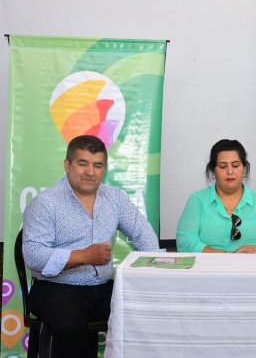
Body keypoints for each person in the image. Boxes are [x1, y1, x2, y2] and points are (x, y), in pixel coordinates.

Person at [22, 135, 160, 358]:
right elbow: (33, 255)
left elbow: (141, 231)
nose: (90, 172)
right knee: (71, 326)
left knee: (143, 308)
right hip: (55, 287)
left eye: (98, 165)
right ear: (68, 165)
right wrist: (84, 256)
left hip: (100, 287)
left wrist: (156, 264)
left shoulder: (115, 198)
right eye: (82, 163)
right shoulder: (46, 203)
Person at [176, 139, 256, 253]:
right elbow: (185, 241)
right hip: (208, 268)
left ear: (244, 169)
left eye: (236, 165)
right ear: (213, 171)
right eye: (223, 166)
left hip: (252, 267)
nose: (230, 171)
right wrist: (226, 256)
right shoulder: (197, 200)